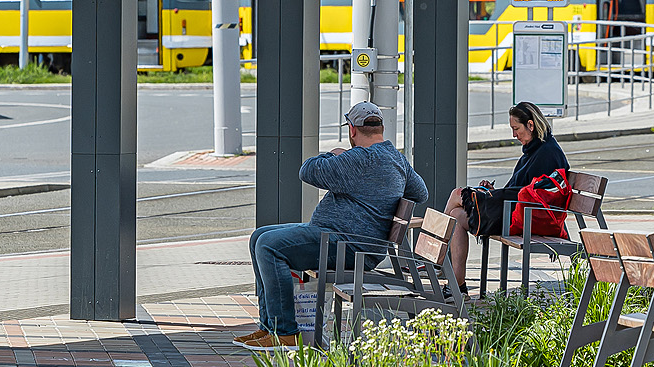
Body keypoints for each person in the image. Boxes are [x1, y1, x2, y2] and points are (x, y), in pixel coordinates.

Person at [237, 101, 428, 352]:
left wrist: (334, 154)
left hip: (346, 246)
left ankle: (285, 332)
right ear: (381, 128)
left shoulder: (358, 159)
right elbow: (420, 192)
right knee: (259, 235)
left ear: (352, 130)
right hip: (353, 242)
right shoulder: (395, 158)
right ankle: (269, 326)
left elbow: (307, 171)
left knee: (269, 246)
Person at [440, 102, 567, 287]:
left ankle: (437, 256)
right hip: (515, 212)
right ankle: (458, 286)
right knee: (456, 216)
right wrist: (492, 192)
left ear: (530, 125)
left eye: (516, 128)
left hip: (523, 218)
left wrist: (492, 196)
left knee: (458, 194)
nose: (514, 135)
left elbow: (531, 195)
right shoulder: (535, 150)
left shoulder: (547, 153)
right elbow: (521, 189)